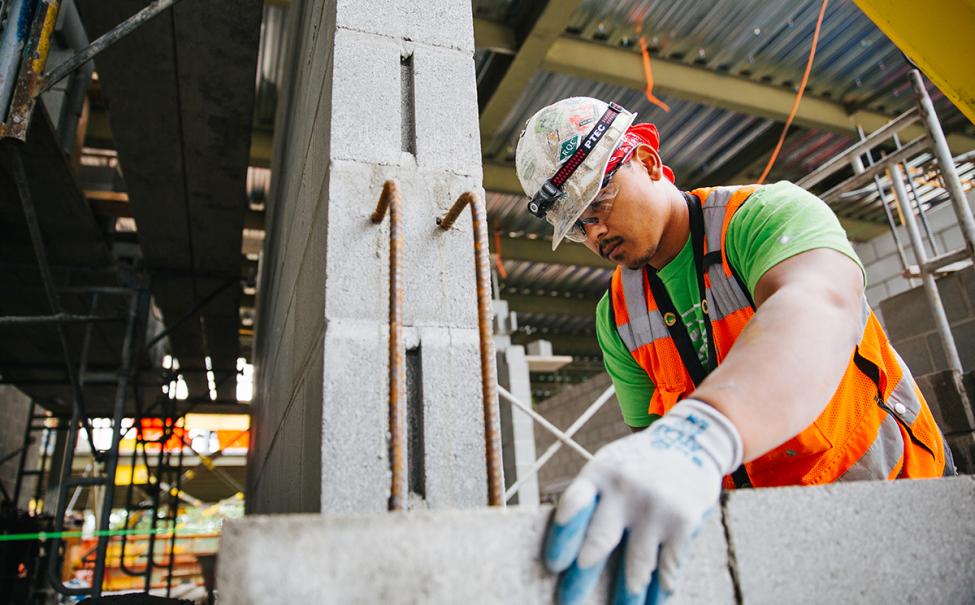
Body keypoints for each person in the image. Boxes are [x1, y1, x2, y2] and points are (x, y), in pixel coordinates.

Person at [514, 97, 954, 605]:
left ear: (649, 162)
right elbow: (655, 448)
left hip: (901, 507)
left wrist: (703, 432)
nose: (596, 233)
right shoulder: (616, 318)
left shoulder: (766, 217)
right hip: (773, 549)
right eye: (577, 226)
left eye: (598, 204)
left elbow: (816, 306)